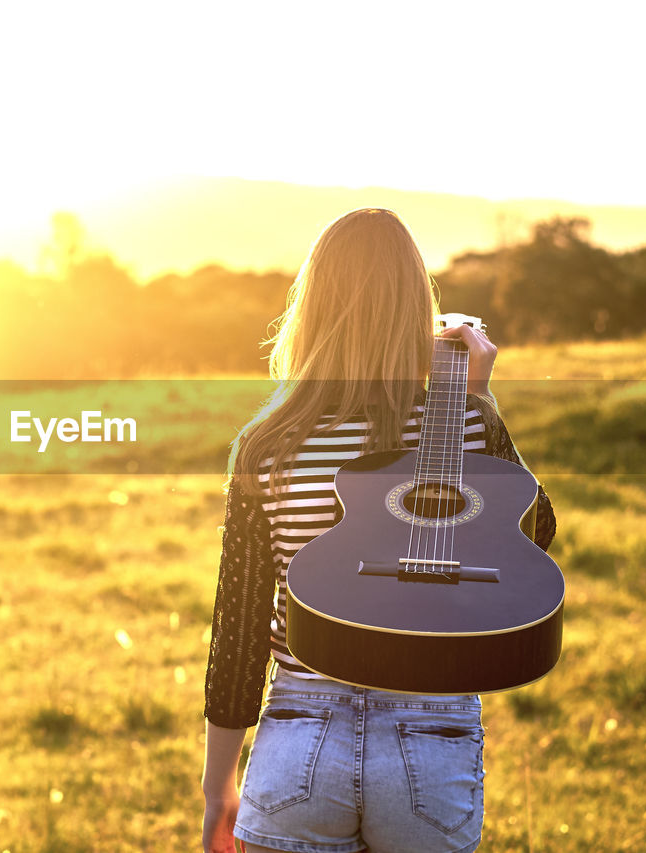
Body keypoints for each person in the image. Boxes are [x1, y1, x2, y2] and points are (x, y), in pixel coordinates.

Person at [201, 208, 556, 853]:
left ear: (310, 307)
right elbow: (536, 539)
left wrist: (216, 787)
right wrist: (480, 402)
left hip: (299, 737)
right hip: (433, 739)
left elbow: (240, 629)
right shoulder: (464, 427)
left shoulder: (268, 446)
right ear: (416, 305)